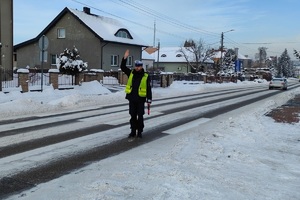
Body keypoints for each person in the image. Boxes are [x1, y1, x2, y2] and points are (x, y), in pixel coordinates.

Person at [120, 49, 152, 139]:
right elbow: (123, 67)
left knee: (140, 116)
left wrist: (149, 99)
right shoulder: (131, 73)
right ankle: (133, 131)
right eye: (136, 66)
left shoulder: (146, 76)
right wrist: (125, 58)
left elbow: (149, 88)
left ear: (142, 67)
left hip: (141, 99)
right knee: (133, 115)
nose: (137, 67)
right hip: (132, 98)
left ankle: (140, 132)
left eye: (139, 66)